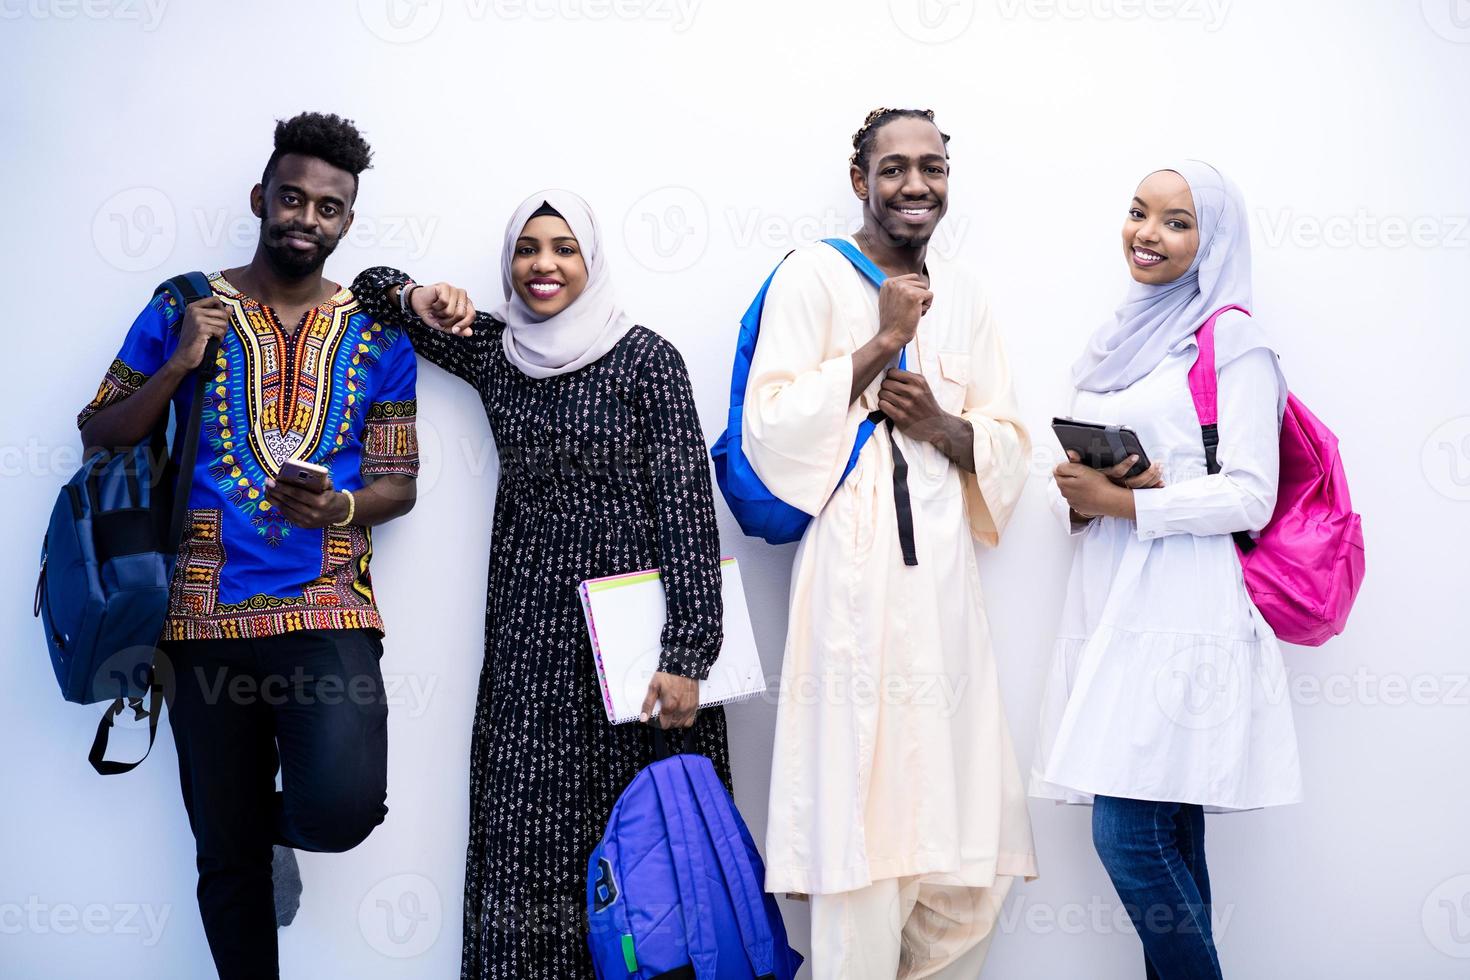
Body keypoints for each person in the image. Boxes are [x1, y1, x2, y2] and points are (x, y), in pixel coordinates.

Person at [351, 189, 731, 978]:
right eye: (527, 248)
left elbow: (689, 509)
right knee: (529, 844)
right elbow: (368, 288)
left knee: (652, 856)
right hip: (532, 641)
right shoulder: (499, 351)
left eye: (563, 247)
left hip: (638, 657)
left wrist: (690, 652)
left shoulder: (645, 359)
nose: (544, 265)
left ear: (591, 261)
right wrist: (414, 294)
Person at [76, 112, 419, 980]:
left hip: (326, 606)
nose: (307, 217)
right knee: (223, 862)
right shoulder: (180, 303)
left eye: (329, 207)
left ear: (347, 221)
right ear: (261, 198)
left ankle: (258, 824)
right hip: (198, 614)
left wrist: (338, 506)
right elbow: (98, 434)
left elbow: (399, 481)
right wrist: (177, 365)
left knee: (344, 808)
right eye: (293, 197)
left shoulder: (380, 336)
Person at [742, 107, 1037, 979]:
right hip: (851, 579)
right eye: (896, 167)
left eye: (934, 167)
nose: (917, 185)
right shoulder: (811, 276)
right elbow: (771, 426)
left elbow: (1010, 436)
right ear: (858, 176)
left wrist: (949, 427)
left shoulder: (970, 291)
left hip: (944, 582)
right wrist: (883, 344)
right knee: (858, 831)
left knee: (963, 852)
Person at [1030, 161, 1302, 979]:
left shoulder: (1234, 340)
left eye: (1177, 222)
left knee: (1130, 833)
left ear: (1212, 241)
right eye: (1139, 213)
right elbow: (1102, 493)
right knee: (1173, 829)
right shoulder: (1121, 337)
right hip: (1116, 597)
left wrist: (1132, 506)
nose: (1148, 234)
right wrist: (1085, 499)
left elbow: (1253, 494)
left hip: (1187, 609)